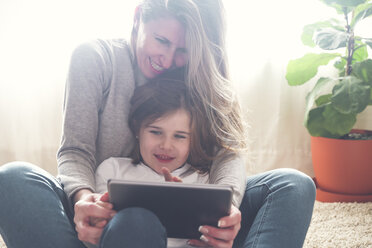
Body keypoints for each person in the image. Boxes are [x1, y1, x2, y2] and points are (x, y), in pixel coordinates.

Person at [0, 0, 316, 248]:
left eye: (182, 51)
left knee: (294, 185)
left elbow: (227, 152)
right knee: (12, 179)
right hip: (106, 222)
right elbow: (75, 151)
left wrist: (226, 212)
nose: (167, 60)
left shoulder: (200, 70)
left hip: (192, 229)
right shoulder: (95, 58)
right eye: (161, 40)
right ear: (138, 17)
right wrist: (84, 200)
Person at [94, 70, 219, 247]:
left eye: (180, 136)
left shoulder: (204, 181)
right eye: (156, 132)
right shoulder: (112, 170)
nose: (166, 145)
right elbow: (103, 231)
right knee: (135, 221)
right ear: (137, 129)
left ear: (193, 140)